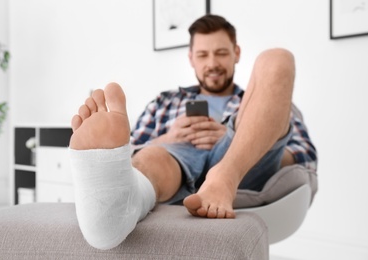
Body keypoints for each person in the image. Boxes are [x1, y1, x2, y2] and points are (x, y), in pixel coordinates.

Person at [69, 14, 317, 250]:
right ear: (191, 59)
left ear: (236, 53)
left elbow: (303, 155)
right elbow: (130, 150)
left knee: (277, 59)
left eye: (221, 53)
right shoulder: (164, 102)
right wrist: (169, 137)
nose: (212, 63)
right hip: (173, 162)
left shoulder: (260, 99)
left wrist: (241, 140)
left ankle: (224, 177)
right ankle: (119, 208)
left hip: (239, 163)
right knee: (156, 154)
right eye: (203, 55)